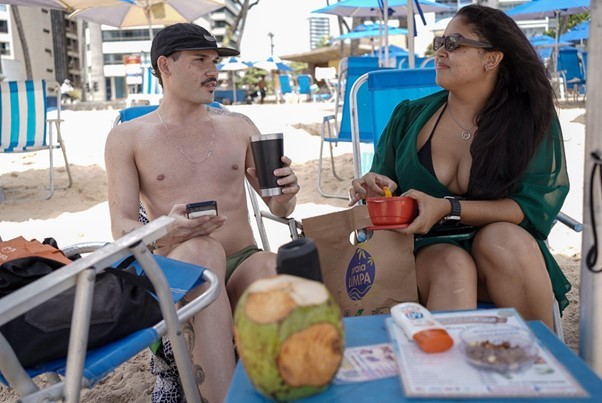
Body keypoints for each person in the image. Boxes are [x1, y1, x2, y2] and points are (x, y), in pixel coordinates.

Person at [104, 23, 300, 402]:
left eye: (214, 61)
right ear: (165, 65)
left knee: (273, 266)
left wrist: (286, 193)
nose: (213, 71)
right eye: (200, 61)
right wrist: (167, 230)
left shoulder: (239, 126)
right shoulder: (129, 137)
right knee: (203, 253)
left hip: (242, 259)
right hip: (179, 265)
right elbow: (121, 227)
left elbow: (279, 206)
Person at [349, 4, 570, 329]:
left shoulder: (530, 121)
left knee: (502, 240)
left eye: (454, 43)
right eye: (440, 42)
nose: (440, 52)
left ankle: (541, 364)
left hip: (502, 255)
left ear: (491, 59)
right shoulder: (408, 117)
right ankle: (443, 376)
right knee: (452, 263)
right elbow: (384, 196)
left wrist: (447, 207)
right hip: (423, 252)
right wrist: (373, 191)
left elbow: (531, 207)